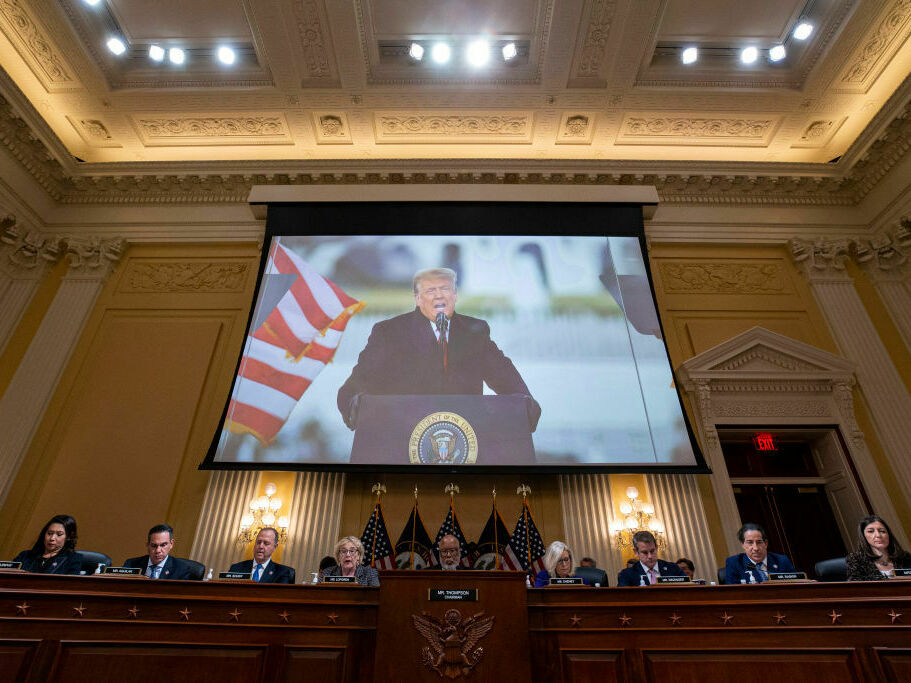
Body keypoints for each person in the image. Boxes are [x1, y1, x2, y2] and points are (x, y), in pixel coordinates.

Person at [337, 267, 541, 430]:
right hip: (403, 439)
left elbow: (506, 377)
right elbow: (354, 387)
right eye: (430, 291)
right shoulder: (389, 332)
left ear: (455, 295)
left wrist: (525, 404)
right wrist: (354, 404)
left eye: (444, 289)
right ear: (417, 299)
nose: (438, 296)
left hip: (464, 441)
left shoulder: (475, 332)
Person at [724, 523, 795, 584]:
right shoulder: (735, 563)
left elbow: (796, 587)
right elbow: (733, 593)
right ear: (743, 544)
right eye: (750, 542)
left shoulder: (781, 561)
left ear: (766, 544)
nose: (756, 548)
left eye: (759, 542)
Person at [846, 515, 911, 581]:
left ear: (888, 535)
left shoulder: (905, 558)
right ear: (864, 536)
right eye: (871, 531)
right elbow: (855, 589)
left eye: (882, 531)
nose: (878, 535)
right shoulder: (857, 561)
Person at [13, 514, 82, 575]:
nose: (52, 538)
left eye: (59, 534)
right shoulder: (24, 556)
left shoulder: (72, 559)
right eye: (49, 533)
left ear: (69, 537)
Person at [123, 524, 197, 580]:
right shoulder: (131, 564)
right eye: (154, 545)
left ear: (171, 544)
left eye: (163, 545)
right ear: (147, 545)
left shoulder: (181, 569)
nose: (158, 551)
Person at [617, 531, 686, 586]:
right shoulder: (626, 575)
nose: (650, 556)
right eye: (645, 552)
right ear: (636, 552)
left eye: (652, 551)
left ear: (656, 548)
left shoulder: (673, 568)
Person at [228, 527, 295, 583]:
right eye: (258, 542)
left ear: (275, 547)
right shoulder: (236, 568)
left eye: (266, 543)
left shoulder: (284, 573)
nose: (260, 546)